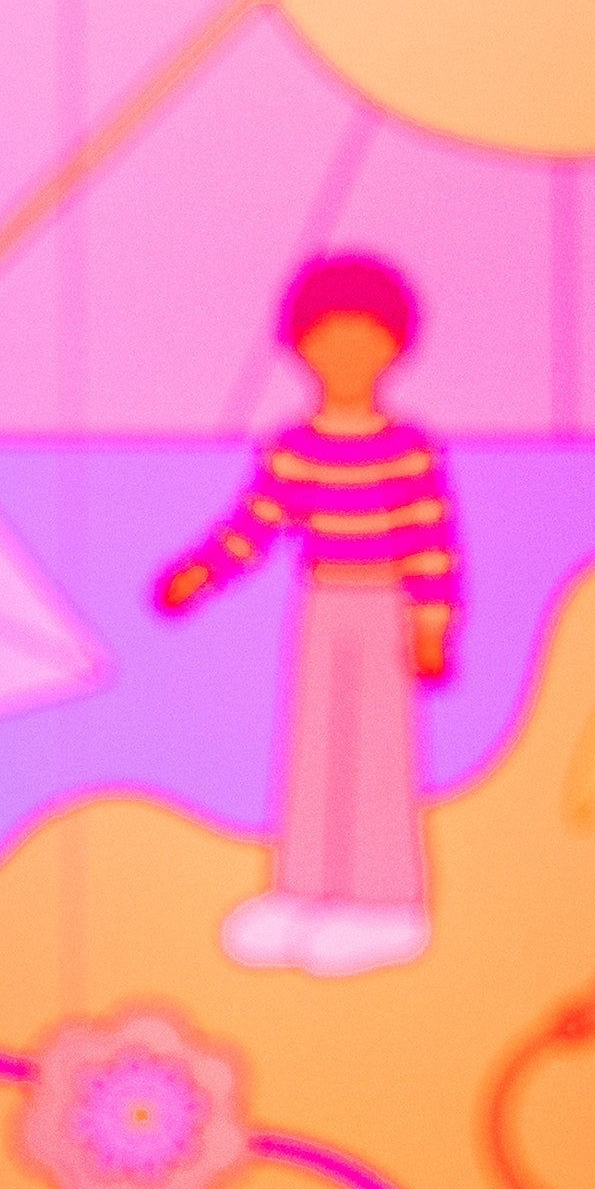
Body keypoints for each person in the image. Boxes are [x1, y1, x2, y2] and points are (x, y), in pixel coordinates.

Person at [156, 250, 459, 982]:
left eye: (367, 340)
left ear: (396, 347)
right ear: (301, 348)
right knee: (317, 742)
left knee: (379, 750)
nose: (348, 357)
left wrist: (431, 623)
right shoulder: (294, 449)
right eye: (330, 340)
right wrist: (200, 575)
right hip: (321, 602)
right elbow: (254, 528)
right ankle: (306, 888)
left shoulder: (406, 451)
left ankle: (387, 903)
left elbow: (429, 539)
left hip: (384, 604)